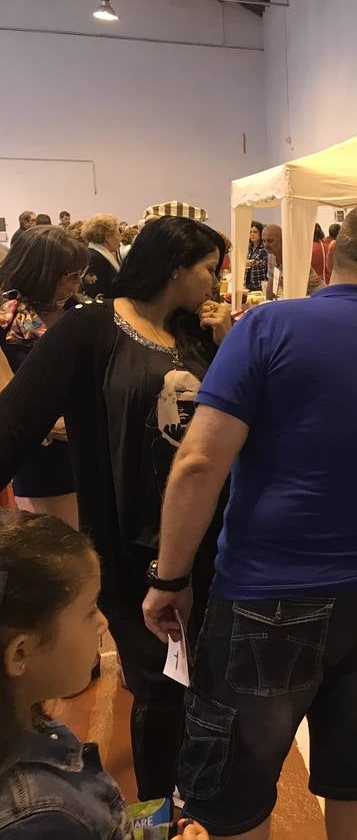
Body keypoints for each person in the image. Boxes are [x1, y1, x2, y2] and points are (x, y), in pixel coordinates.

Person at [141, 200, 357, 840]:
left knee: (236, 789)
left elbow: (198, 464)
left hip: (270, 592)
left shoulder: (267, 328)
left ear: (333, 257)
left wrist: (170, 575)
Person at [0, 216, 232, 802]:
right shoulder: (88, 331)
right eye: (209, 268)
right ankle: (159, 808)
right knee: (157, 685)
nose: (215, 280)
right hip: (131, 549)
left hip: (210, 545)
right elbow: (16, 426)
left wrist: (230, 346)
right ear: (175, 266)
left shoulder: (196, 334)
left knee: (202, 682)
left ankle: (192, 799)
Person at [0, 511, 211, 838]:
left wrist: (157, 833)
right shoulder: (40, 815)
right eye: (88, 611)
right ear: (20, 653)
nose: (102, 623)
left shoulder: (29, 723)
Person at [0, 227, 87, 528]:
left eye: (79, 275)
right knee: (57, 550)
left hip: (90, 446)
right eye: (70, 275)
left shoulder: (81, 312)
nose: (76, 283)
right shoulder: (6, 320)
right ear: (41, 271)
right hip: (40, 454)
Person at [261, 223, 325, 299]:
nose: (265, 245)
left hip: (317, 295)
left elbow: (296, 289)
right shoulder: (271, 255)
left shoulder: (293, 256)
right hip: (301, 296)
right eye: (263, 241)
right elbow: (271, 280)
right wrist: (268, 303)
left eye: (270, 241)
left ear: (282, 240)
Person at [82, 213, 123, 299]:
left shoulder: (95, 254)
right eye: (118, 235)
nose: (120, 239)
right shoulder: (96, 258)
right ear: (108, 237)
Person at [243, 220, 267, 291]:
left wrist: (253, 262)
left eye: (255, 232)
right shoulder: (248, 249)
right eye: (250, 232)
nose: (252, 234)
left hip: (259, 284)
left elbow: (265, 265)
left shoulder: (264, 249)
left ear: (260, 233)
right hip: (247, 284)